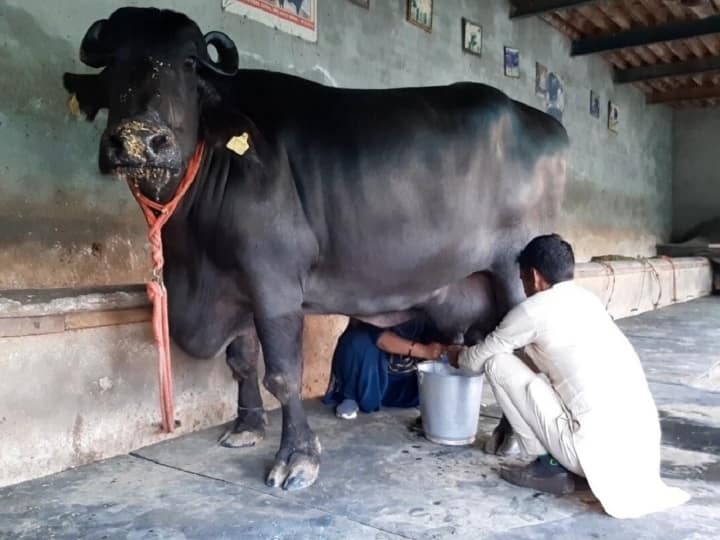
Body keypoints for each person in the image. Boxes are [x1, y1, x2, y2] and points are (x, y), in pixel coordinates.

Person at [449, 233, 690, 519]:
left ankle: (547, 464)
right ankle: (560, 459)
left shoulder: (532, 310)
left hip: (590, 454)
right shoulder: (589, 302)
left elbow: (473, 362)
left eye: (523, 279)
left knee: (497, 363)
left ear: (535, 277)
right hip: (641, 456)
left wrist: (449, 352)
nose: (524, 287)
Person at [323, 316, 448, 419]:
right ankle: (349, 397)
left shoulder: (427, 302)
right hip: (372, 381)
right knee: (356, 340)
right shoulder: (379, 295)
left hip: (406, 389)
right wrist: (425, 351)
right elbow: (381, 339)